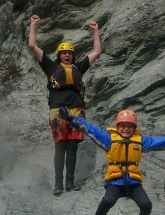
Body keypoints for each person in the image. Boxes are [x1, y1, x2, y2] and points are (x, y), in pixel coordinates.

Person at [59, 107, 165, 215]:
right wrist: (71, 119)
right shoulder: (109, 139)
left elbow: (157, 142)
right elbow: (90, 129)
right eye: (122, 126)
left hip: (133, 182)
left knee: (146, 205)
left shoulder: (140, 141)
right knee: (107, 201)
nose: (126, 129)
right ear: (117, 126)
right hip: (115, 180)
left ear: (134, 128)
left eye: (129, 127)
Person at [28, 15, 102, 195]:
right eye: (63, 53)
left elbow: (97, 52)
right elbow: (32, 46)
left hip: (77, 110)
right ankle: (58, 184)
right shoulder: (50, 67)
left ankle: (70, 183)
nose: (67, 55)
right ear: (59, 55)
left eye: (69, 52)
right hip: (58, 111)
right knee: (60, 145)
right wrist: (33, 25)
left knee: (72, 146)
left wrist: (96, 31)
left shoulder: (78, 67)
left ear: (72, 55)